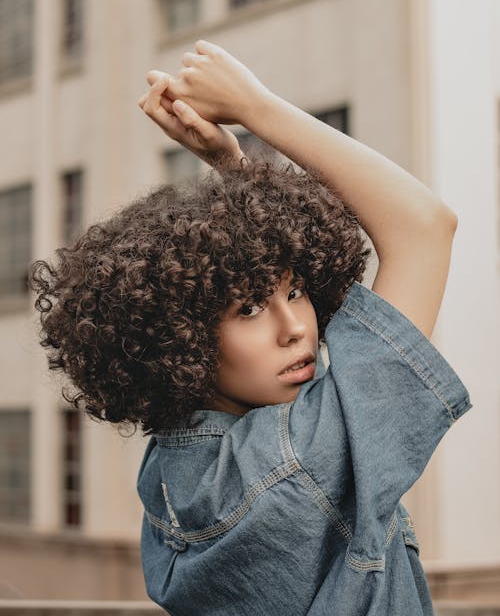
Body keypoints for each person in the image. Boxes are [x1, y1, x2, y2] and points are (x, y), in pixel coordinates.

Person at [30, 40, 472, 615]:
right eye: (248, 310)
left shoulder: (176, 470)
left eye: (296, 291)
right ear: (181, 340)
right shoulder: (299, 460)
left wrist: (234, 168)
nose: (297, 329)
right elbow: (424, 226)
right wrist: (256, 105)